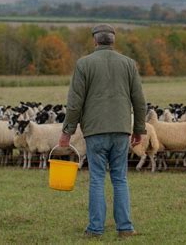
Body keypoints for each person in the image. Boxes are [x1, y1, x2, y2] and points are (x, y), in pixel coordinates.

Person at [58, 24, 147, 238]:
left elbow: (74, 103)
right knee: (120, 178)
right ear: (113, 41)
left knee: (97, 178)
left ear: (94, 41)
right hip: (121, 130)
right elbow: (139, 101)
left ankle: (95, 229)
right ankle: (125, 227)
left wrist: (67, 132)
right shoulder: (128, 64)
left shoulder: (84, 64)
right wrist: (139, 129)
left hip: (95, 131)